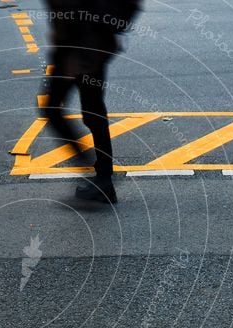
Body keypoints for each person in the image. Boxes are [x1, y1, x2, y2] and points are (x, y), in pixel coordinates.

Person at [42, 0, 141, 204]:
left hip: (81, 48)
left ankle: (96, 172)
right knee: (92, 109)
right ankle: (103, 179)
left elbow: (73, 8)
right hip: (91, 45)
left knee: (53, 109)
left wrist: (76, 55)